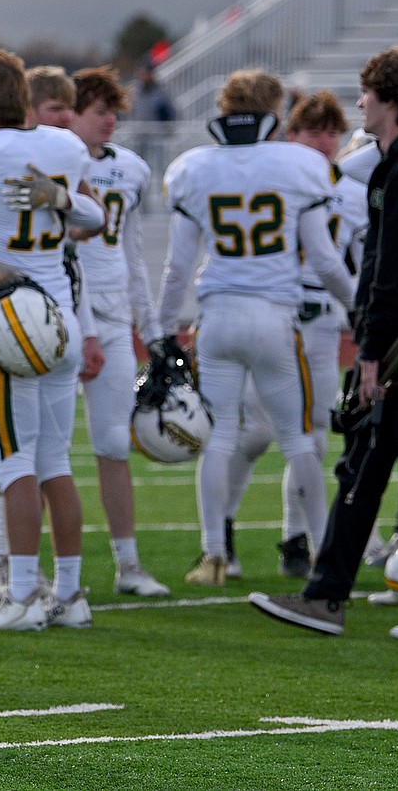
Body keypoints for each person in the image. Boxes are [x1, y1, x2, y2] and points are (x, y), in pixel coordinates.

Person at [251, 46, 398, 641]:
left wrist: (372, 353)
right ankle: (326, 595)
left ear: (392, 101)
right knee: (363, 471)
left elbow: (394, 273)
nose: (359, 102)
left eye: (368, 93)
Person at [156, 69, 354, 587]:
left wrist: (161, 328)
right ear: (275, 111)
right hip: (274, 317)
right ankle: (321, 552)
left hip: (217, 316)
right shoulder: (300, 165)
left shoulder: (193, 168)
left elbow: (178, 268)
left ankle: (214, 554)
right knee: (298, 440)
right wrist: (361, 308)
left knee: (220, 438)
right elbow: (329, 264)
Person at [0, 48, 104, 632]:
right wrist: (61, 200)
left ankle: (21, 597)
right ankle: (69, 594)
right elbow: (93, 218)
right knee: (56, 461)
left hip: (11, 325)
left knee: (13, 463)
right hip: (61, 316)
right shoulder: (63, 146)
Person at [222, 91, 367, 578]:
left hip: (321, 317)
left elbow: (348, 260)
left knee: (313, 436)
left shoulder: (351, 187)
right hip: (273, 313)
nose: (325, 141)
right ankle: (220, 528)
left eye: (333, 131)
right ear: (291, 134)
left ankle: (294, 539)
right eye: (315, 131)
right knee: (257, 432)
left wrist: (356, 308)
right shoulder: (274, 177)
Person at [66, 64, 170, 597]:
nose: (110, 121)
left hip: (111, 319)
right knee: (44, 452)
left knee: (113, 442)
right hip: (58, 318)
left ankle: (128, 564)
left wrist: (150, 329)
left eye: (113, 112)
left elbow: (130, 254)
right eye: (99, 111)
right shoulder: (51, 162)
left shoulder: (129, 169)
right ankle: (34, 569)